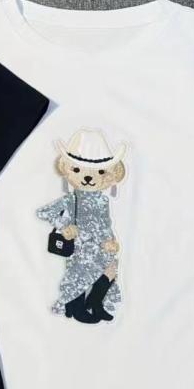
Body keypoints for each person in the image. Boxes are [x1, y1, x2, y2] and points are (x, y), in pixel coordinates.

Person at [37, 129, 125, 324]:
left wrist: (111, 241)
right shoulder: (71, 198)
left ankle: (96, 303)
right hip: (81, 248)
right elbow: (45, 212)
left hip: (101, 246)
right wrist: (64, 227)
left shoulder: (103, 201)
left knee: (110, 270)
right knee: (80, 276)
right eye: (77, 170)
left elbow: (105, 223)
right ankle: (76, 307)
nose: (88, 177)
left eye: (100, 171)